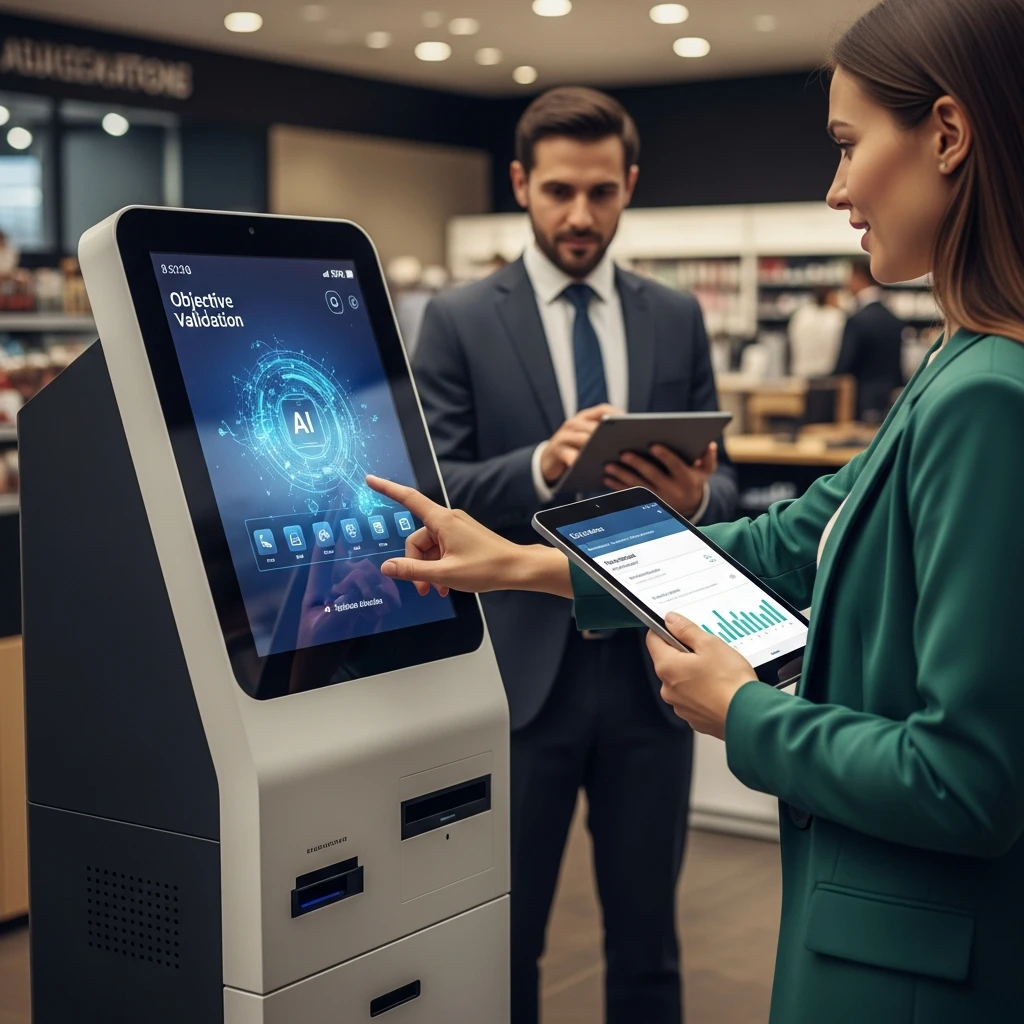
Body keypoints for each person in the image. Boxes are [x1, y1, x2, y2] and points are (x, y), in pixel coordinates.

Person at [371, 1, 1024, 1020]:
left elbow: (968, 779)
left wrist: (745, 711)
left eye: (847, 144)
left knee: (646, 941)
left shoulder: (985, 394)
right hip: (866, 916)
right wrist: (514, 563)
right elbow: (784, 541)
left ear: (946, 134)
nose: (836, 187)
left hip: (906, 960)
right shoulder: (955, 363)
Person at [412, 86, 737, 1024]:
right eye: (559, 191)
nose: (581, 215)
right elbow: (437, 487)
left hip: (653, 667)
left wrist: (695, 499)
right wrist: (541, 466)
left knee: (649, 941)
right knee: (506, 939)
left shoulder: (674, 314)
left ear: (630, 183)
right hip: (523, 678)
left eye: (602, 191)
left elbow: (722, 479)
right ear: (521, 184)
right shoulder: (460, 318)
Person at [833, 257, 905, 421]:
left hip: (860, 400)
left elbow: (845, 365)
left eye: (849, 277)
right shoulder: (894, 319)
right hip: (890, 400)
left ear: (858, 277)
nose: (847, 284)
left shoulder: (857, 320)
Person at [787, 285, 846, 377]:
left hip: (802, 372)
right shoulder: (837, 317)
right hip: (828, 372)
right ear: (829, 297)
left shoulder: (801, 315)